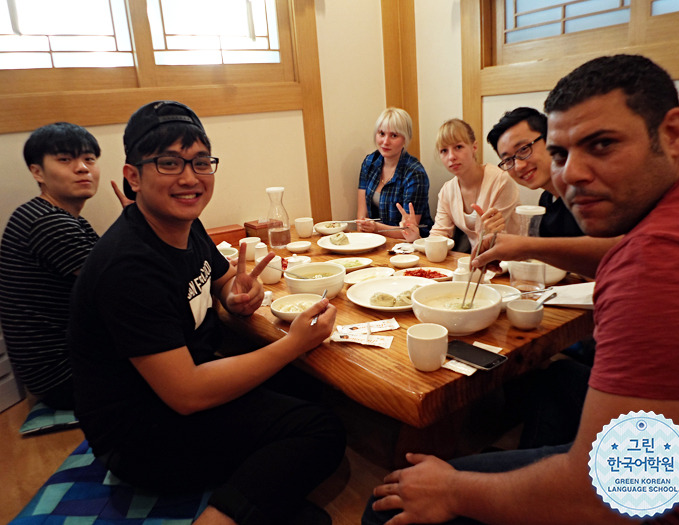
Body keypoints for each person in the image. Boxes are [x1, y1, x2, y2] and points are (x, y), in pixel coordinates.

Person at [363, 54, 679, 525]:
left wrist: (455, 491)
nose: (571, 174)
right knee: (551, 382)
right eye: (561, 154)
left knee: (385, 508)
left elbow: (616, 490)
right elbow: (619, 250)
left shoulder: (660, 262)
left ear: (674, 134)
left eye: (601, 144)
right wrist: (523, 246)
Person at [69, 100, 346, 525]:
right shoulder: (128, 265)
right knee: (321, 430)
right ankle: (219, 517)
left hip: (179, 389)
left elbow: (217, 280)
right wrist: (294, 343)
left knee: (305, 385)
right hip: (140, 435)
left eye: (201, 163)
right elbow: (187, 394)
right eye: (168, 163)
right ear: (133, 177)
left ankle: (257, 488)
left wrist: (234, 293)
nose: (189, 178)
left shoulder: (184, 222)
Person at [0, 122, 101, 410]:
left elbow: (111, 266)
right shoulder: (49, 222)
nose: (82, 168)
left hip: (53, 371)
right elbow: (118, 286)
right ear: (37, 172)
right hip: (65, 376)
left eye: (89, 159)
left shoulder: (51, 215)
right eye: (65, 159)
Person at [398, 118, 520, 253]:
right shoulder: (447, 191)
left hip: (511, 260)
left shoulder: (500, 181)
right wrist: (416, 238)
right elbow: (439, 235)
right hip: (477, 261)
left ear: (474, 147)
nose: (451, 157)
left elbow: (497, 238)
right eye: (444, 151)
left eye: (458, 147)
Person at [487, 107, 583, 238]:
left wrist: (527, 246)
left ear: (551, 139)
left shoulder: (584, 191)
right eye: (508, 160)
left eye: (524, 149)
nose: (518, 166)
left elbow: (611, 245)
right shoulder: (546, 200)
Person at [357, 107, 433, 238]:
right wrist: (363, 231)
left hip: (411, 244)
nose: (385, 141)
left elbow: (409, 230)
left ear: (405, 139)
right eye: (381, 134)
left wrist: (375, 228)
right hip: (375, 240)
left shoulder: (415, 173)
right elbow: (361, 215)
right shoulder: (369, 163)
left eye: (394, 135)